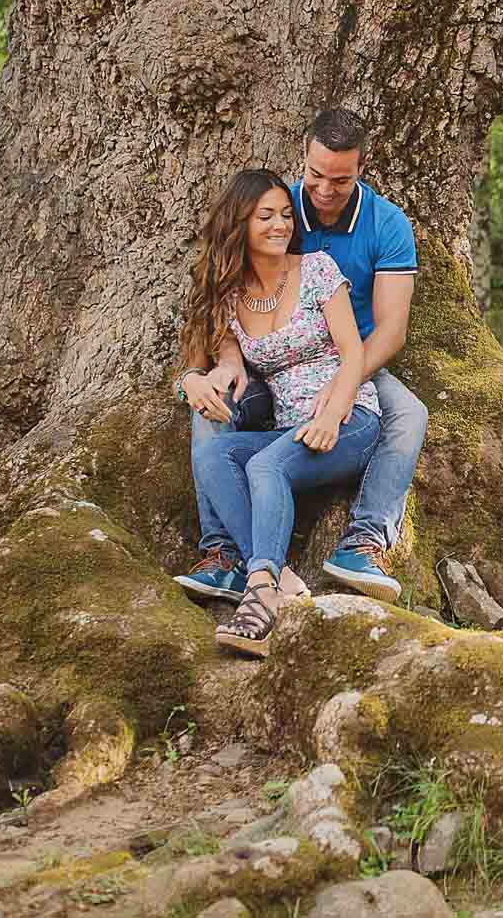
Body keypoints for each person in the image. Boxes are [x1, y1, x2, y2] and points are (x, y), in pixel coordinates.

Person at [176, 108, 426, 602]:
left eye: (340, 179)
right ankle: (224, 553)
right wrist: (201, 371)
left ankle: (365, 541)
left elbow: (391, 330)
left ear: (361, 168)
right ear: (304, 159)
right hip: (263, 361)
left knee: (410, 413)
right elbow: (220, 299)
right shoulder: (277, 207)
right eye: (315, 175)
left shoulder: (386, 224)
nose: (324, 190)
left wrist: (342, 386)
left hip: (342, 355)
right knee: (209, 415)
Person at [175, 169, 384, 658]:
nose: (280, 224)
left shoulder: (317, 271)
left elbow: (353, 353)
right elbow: (226, 359)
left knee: (264, 465)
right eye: (265, 216)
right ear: (239, 225)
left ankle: (261, 593)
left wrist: (334, 412)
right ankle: (277, 578)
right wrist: (203, 378)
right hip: (289, 429)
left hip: (349, 421)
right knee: (213, 456)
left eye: (286, 215)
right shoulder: (228, 295)